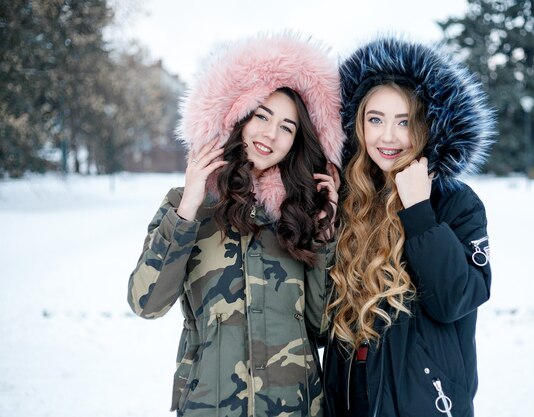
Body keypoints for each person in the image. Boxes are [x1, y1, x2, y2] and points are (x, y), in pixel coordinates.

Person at [127, 33, 345, 417]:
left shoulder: (301, 213)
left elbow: (323, 327)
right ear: (238, 116)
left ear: (298, 141)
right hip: (210, 406)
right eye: (262, 116)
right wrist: (189, 207)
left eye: (287, 127)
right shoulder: (189, 208)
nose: (270, 134)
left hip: (295, 407)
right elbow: (146, 303)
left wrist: (326, 234)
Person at [322, 37, 496, 417]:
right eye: (375, 119)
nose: (388, 136)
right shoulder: (348, 198)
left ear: (428, 126)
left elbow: (455, 300)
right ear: (357, 124)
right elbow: (319, 323)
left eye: (405, 121)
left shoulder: (455, 203)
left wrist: (418, 211)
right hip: (351, 399)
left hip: (427, 402)